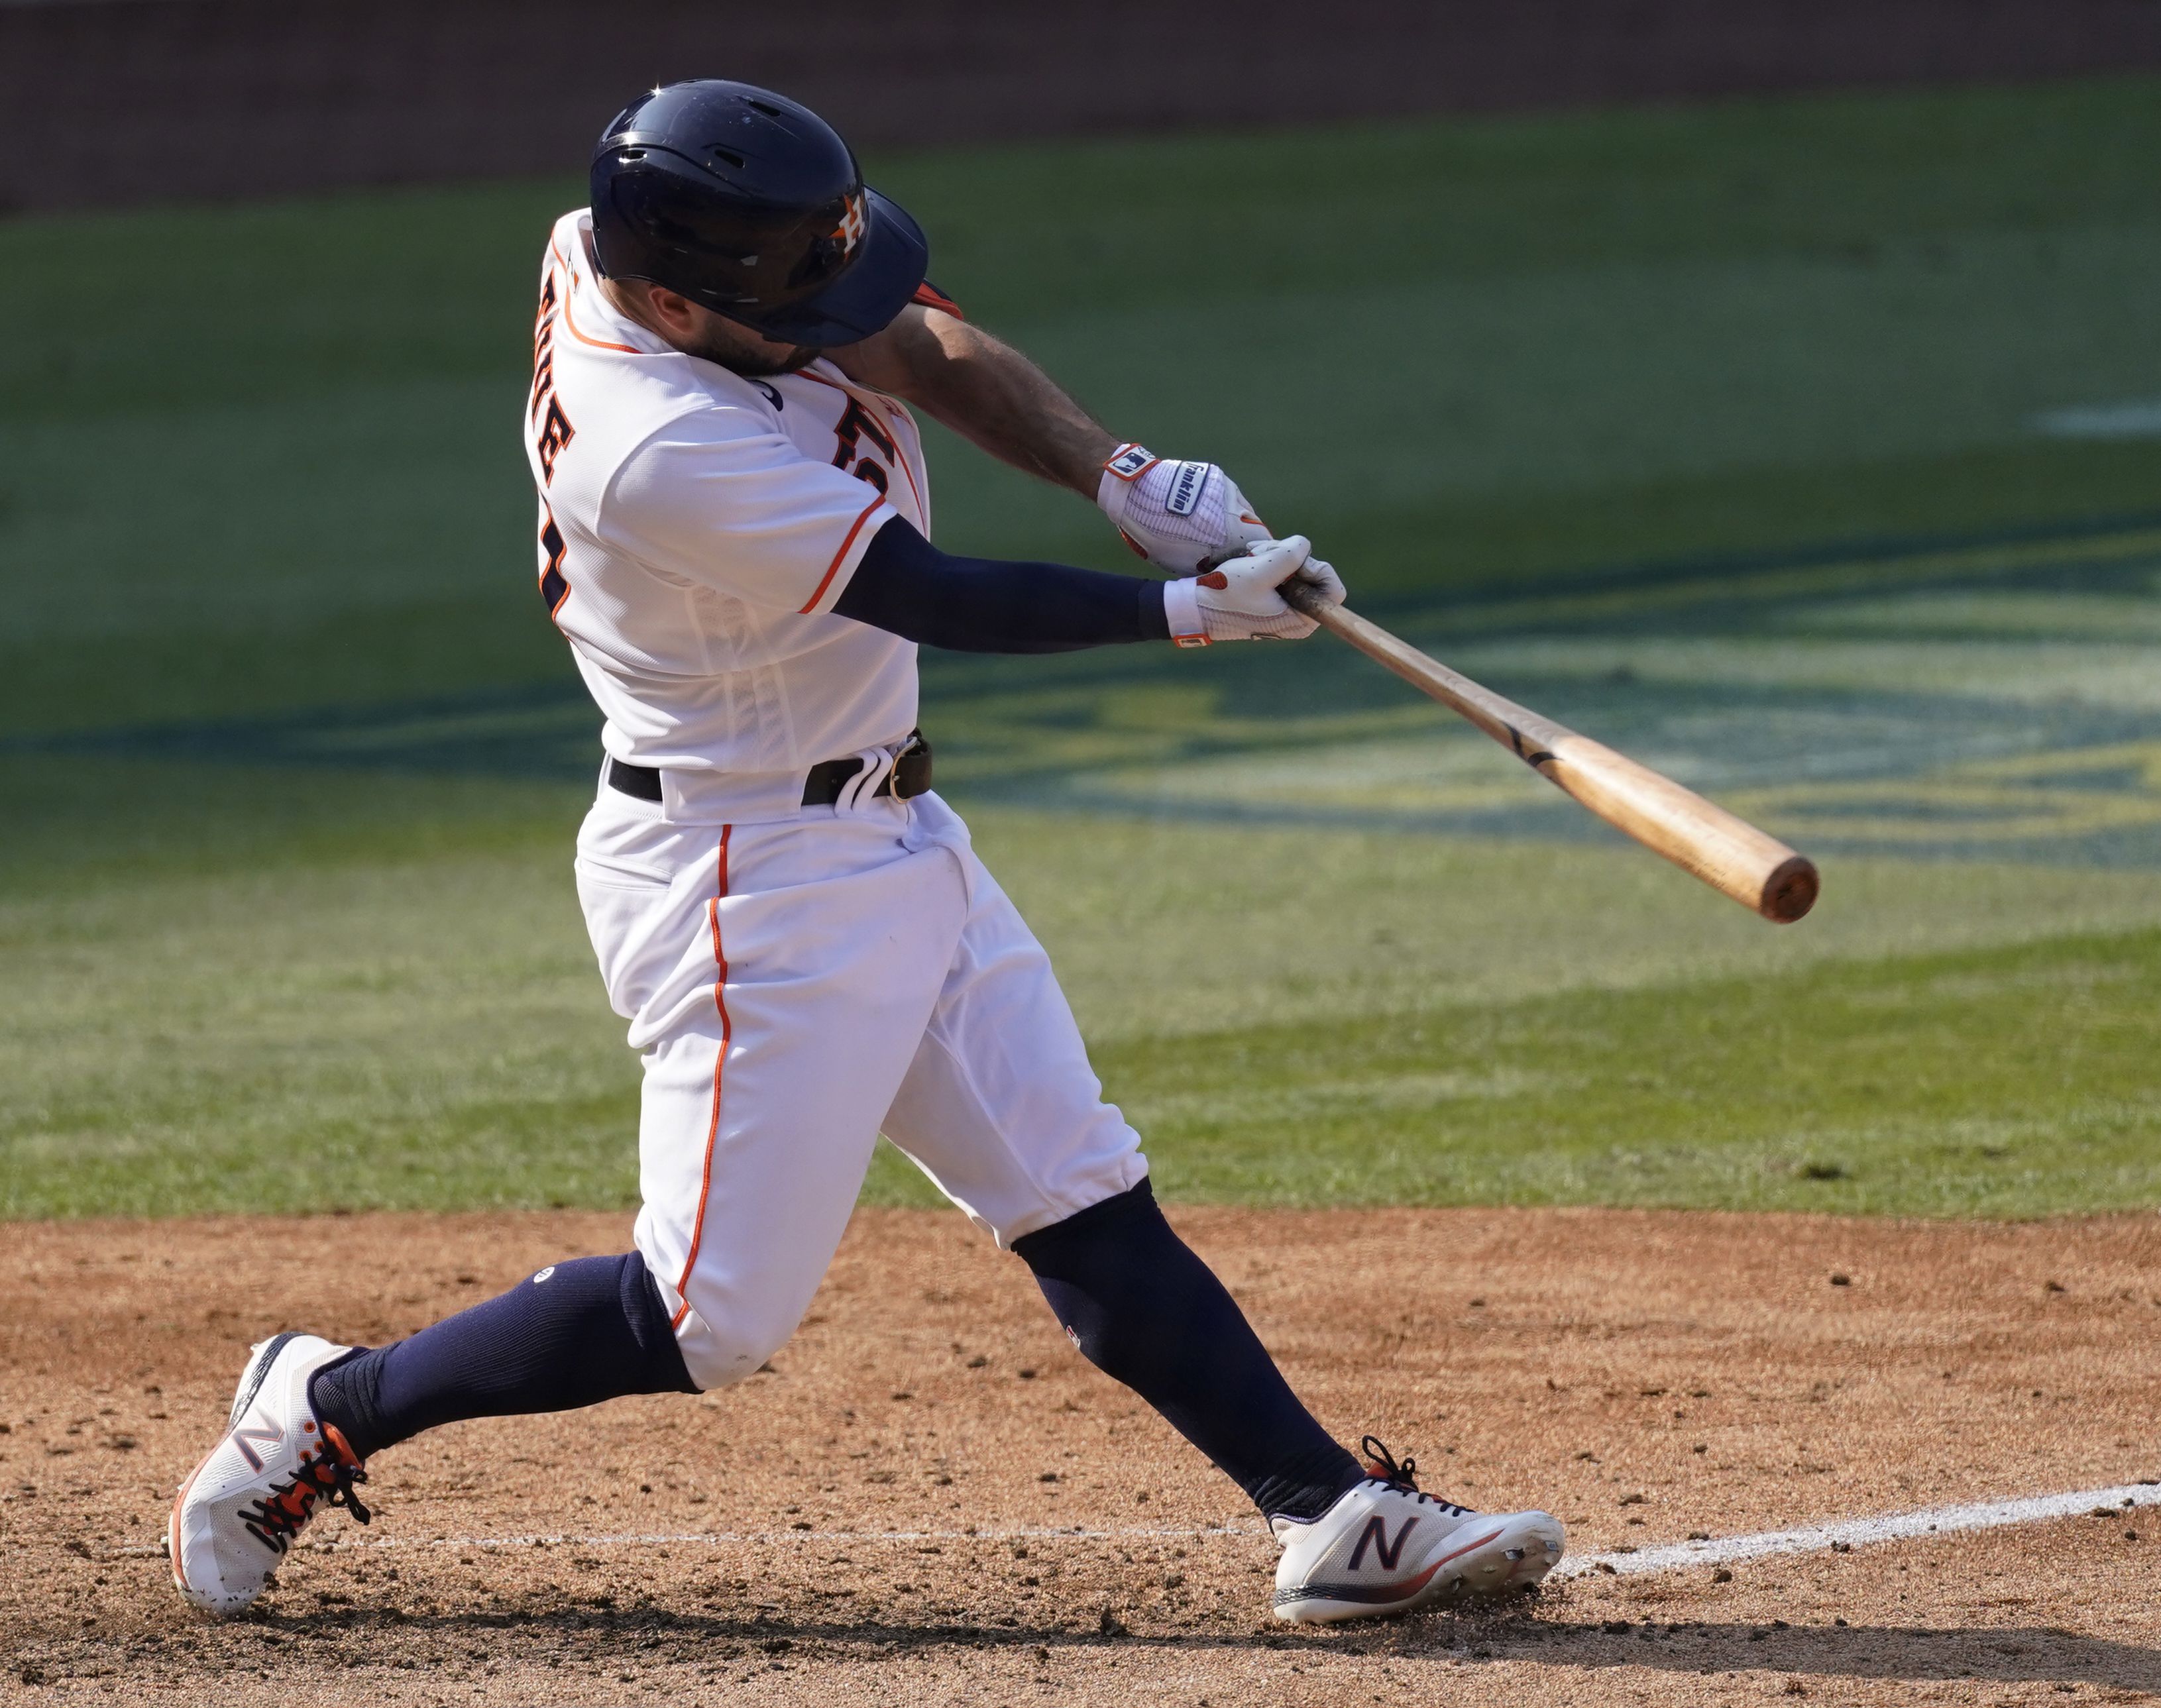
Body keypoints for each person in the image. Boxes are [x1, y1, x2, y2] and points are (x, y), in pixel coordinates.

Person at [169, 80, 1561, 1627]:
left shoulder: (634, 245)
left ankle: (1331, 1515)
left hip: (888, 829)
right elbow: (927, 591)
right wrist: (1183, 610)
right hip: (747, 880)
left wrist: (1119, 476)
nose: (832, 318)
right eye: (791, 302)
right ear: (678, 300)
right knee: (705, 1317)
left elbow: (903, 332)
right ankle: (328, 1402)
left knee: (1073, 1181)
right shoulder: (653, 448)